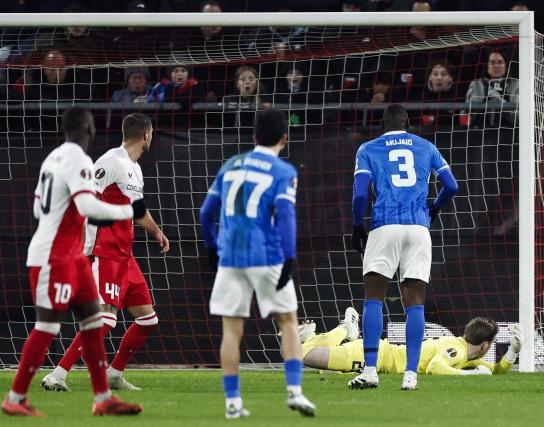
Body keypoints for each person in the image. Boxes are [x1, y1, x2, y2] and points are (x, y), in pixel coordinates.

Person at [1, 107, 145, 417]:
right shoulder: (80, 159)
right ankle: (15, 398)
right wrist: (125, 212)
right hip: (54, 254)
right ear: (89, 129)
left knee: (94, 322)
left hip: (72, 253)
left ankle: (103, 398)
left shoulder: (52, 158)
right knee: (47, 325)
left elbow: (41, 209)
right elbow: (88, 205)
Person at [199, 109, 315, 419]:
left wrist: (213, 247)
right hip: (268, 256)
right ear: (284, 138)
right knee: (289, 321)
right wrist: (289, 256)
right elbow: (286, 216)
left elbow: (205, 214)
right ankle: (294, 391)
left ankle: (233, 403)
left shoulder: (230, 165)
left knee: (231, 332)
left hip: (231, 257)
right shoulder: (283, 171)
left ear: (253, 137)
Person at [41, 113, 169, 393]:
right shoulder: (112, 161)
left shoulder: (135, 169)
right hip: (105, 249)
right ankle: (58, 374)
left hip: (125, 254)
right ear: (146, 135)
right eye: (152, 133)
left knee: (148, 319)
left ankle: (114, 375)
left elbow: (137, 210)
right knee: (106, 318)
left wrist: (156, 231)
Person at [350, 104, 459, 390]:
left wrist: (355, 225)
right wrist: (433, 209)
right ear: (408, 123)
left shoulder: (368, 148)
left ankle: (370, 370)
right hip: (418, 227)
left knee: (374, 296)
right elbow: (451, 186)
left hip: (385, 225)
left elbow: (361, 193)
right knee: (415, 301)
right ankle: (410, 375)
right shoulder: (426, 146)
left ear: (382, 123)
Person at [300, 308, 524, 376]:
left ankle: (310, 335)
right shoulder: (456, 350)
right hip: (377, 356)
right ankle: (346, 329)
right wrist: (470, 376)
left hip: (379, 364)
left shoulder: (466, 355)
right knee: (301, 355)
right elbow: (436, 367)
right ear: (485, 346)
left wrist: (513, 352)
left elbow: (494, 372)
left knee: (328, 373)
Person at [465, 49, 519, 128]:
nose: (496, 66)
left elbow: (519, 119)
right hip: (479, 133)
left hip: (508, 132)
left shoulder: (515, 84)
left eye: (500, 62)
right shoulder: (476, 84)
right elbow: (463, 121)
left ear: (506, 65)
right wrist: (477, 106)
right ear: (487, 65)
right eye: (492, 62)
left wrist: (500, 101)